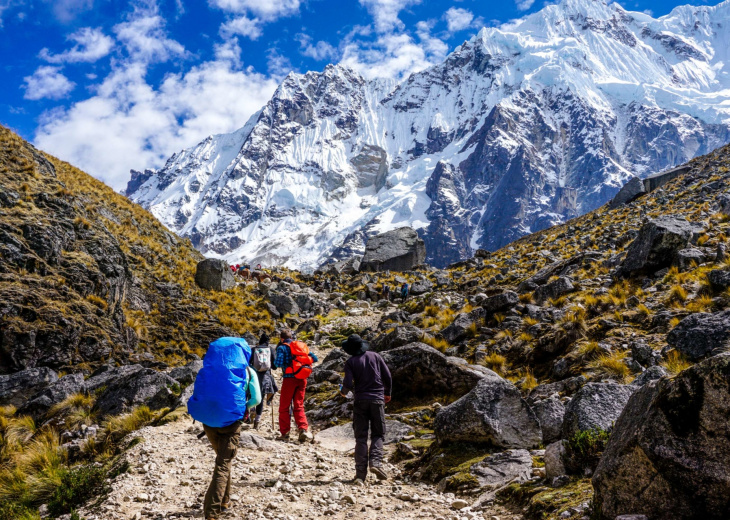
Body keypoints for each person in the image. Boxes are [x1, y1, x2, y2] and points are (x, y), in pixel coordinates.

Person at [188, 337, 261, 520]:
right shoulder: (247, 371)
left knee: (223, 459)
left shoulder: (208, 369)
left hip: (208, 422)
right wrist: (244, 407)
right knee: (222, 464)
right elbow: (257, 399)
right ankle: (212, 512)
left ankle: (225, 500)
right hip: (231, 423)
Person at [340, 334, 392, 483]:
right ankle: (375, 463)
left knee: (361, 437)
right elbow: (387, 376)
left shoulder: (350, 362)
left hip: (360, 400)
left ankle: (360, 475)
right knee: (378, 433)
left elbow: (348, 384)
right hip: (377, 399)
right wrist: (387, 393)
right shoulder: (375, 356)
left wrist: (343, 392)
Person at [274, 329, 318, 442]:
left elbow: (278, 363)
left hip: (289, 379)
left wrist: (287, 363)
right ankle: (303, 429)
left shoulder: (282, 347)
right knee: (298, 405)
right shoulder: (300, 346)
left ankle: (285, 433)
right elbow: (315, 358)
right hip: (302, 378)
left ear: (281, 338)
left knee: (284, 406)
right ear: (292, 337)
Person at [251, 332, 278, 429]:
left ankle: (251, 409)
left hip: (253, 376)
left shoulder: (254, 349)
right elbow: (274, 367)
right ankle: (257, 421)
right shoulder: (270, 349)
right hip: (265, 378)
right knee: (261, 398)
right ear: (268, 342)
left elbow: (249, 363)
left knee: (251, 394)